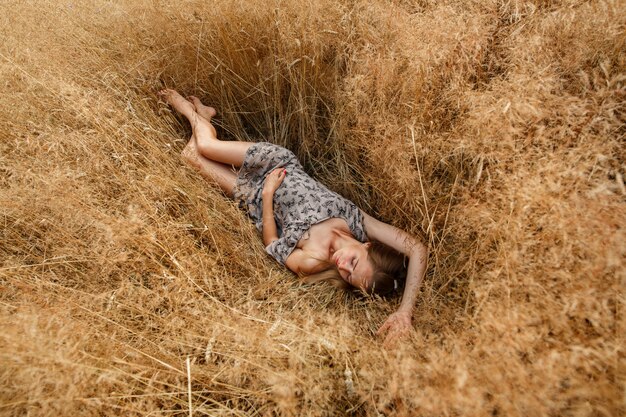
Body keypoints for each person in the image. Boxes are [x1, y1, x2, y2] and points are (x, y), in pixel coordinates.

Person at [159, 89, 428, 345]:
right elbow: (416, 248)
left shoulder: (314, 262)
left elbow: (272, 245)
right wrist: (406, 310)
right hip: (278, 163)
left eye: (348, 276)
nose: (343, 266)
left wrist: (267, 196)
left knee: (191, 156)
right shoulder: (359, 222)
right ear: (366, 245)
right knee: (206, 145)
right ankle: (191, 112)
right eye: (354, 262)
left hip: (256, 196)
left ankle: (204, 117)